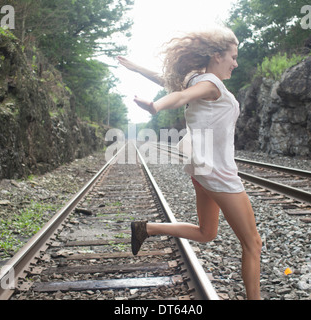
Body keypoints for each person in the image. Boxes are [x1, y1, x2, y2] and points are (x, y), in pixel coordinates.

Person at [118, 27, 262, 300]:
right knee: (253, 243)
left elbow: (167, 81)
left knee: (207, 233)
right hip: (219, 174)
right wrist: (156, 107)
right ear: (217, 56)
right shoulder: (211, 84)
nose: (236, 63)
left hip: (202, 170)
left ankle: (145, 229)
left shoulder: (195, 80)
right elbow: (180, 97)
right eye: (233, 56)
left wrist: (136, 68)